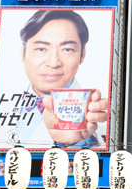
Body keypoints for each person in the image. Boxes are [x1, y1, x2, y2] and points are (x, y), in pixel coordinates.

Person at [14, 9, 108, 148]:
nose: (53, 63)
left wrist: (73, 143)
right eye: (41, 49)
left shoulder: (96, 116)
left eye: (67, 49)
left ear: (82, 55)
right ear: (23, 52)